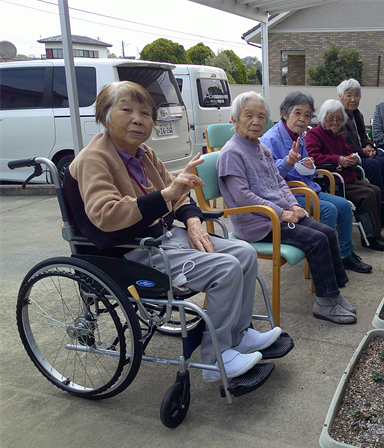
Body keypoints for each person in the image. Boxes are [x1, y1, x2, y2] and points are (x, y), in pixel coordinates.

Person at [63, 81, 281, 382]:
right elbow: (107, 215)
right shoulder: (93, 159)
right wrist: (166, 196)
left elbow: (178, 195)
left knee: (243, 252)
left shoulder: (144, 154)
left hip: (164, 238)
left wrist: (192, 221)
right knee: (226, 268)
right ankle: (216, 359)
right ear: (104, 115)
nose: (139, 119)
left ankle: (239, 335)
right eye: (127, 110)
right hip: (130, 251)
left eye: (146, 113)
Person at [217, 92, 358, 325]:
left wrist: (293, 204)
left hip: (277, 215)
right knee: (316, 240)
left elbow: (279, 181)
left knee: (327, 232)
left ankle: (333, 295)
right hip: (258, 223)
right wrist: (282, 212)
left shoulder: (260, 148)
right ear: (234, 120)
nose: (256, 121)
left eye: (261, 116)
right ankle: (325, 303)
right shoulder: (232, 153)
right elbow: (243, 197)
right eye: (248, 115)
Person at [261, 91, 372, 274]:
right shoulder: (270, 139)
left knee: (344, 205)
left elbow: (309, 169)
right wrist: (289, 163)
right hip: (289, 195)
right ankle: (323, 263)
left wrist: (309, 165)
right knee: (329, 210)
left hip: (308, 189)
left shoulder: (299, 136)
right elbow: (269, 177)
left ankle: (345, 255)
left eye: (306, 115)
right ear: (284, 113)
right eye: (297, 113)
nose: (302, 119)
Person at [306, 99, 384, 252]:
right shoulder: (314, 134)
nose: (335, 121)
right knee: (367, 194)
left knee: (376, 190)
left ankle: (375, 233)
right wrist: (337, 159)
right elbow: (313, 157)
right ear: (323, 117)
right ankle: (369, 238)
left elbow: (347, 152)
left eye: (339, 118)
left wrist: (353, 158)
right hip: (332, 181)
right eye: (331, 117)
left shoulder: (339, 135)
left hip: (347, 178)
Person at [337, 78, 384, 214]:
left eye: (356, 95)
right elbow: (341, 143)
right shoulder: (338, 115)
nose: (353, 99)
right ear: (340, 97)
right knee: (373, 165)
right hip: (348, 157)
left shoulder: (357, 115)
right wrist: (362, 151)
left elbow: (364, 137)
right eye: (349, 95)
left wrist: (369, 146)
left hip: (361, 153)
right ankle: (382, 205)